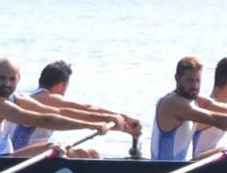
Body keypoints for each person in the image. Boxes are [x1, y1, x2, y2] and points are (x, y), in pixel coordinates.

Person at [0, 57, 119, 157]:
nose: (7, 84)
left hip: (7, 160)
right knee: (54, 147)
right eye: (2, 78)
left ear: (19, 78)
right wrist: (91, 125)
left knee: (79, 152)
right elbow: (43, 120)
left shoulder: (15, 98)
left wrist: (105, 118)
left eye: (12, 79)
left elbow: (57, 112)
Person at [8, 60, 139, 158]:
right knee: (85, 154)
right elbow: (86, 109)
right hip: (22, 158)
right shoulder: (46, 98)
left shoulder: (34, 97)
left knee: (91, 153)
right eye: (67, 86)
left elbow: (79, 115)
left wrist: (123, 125)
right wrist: (126, 120)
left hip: (32, 153)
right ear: (61, 85)